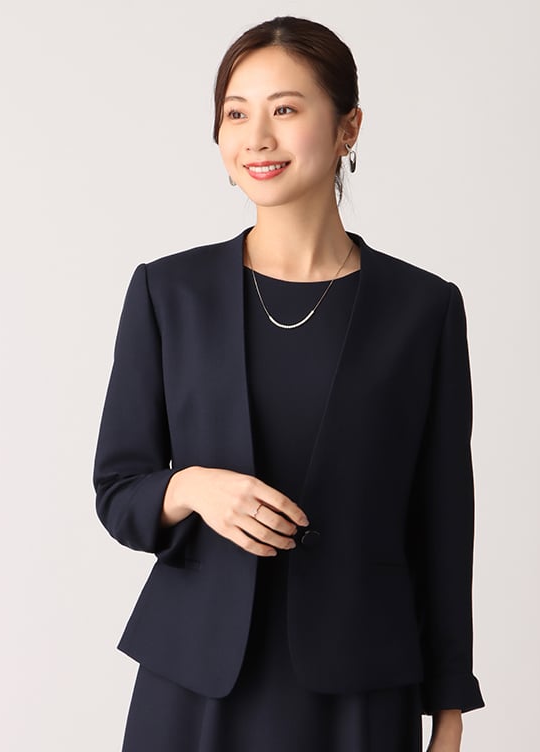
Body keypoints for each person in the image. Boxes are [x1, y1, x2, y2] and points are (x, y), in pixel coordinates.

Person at [93, 15, 485, 752]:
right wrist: (193, 487)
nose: (258, 138)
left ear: (347, 128)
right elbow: (118, 490)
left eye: (285, 109)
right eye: (236, 114)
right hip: (195, 687)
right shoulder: (167, 293)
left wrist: (450, 706)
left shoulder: (423, 309)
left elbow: (442, 520)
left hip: (360, 688)